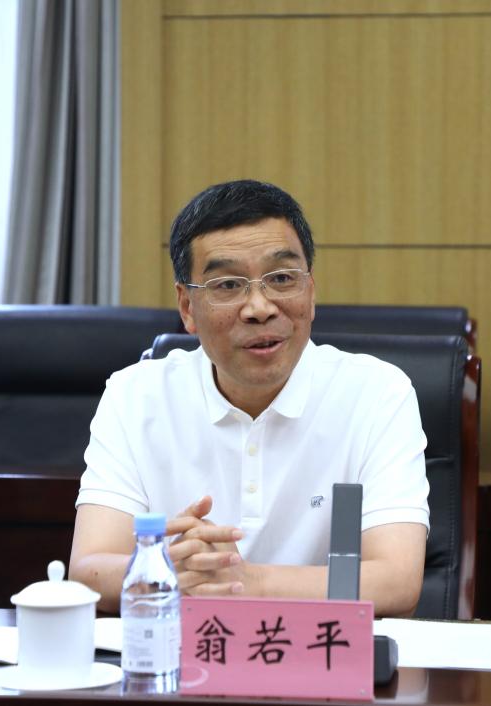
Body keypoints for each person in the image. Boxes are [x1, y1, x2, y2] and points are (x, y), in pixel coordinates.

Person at [69, 179, 429, 617]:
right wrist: (170, 570)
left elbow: (396, 580)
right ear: (187, 307)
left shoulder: (377, 394)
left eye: (281, 279)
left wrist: (242, 580)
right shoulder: (134, 395)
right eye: (227, 285)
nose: (259, 307)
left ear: (311, 292)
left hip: (323, 652)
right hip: (187, 653)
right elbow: (88, 569)